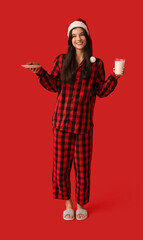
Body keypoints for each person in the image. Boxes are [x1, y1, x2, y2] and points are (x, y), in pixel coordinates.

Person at [25, 18, 125, 221]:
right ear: (70, 40)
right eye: (74, 35)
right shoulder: (61, 60)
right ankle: (68, 204)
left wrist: (115, 76)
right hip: (61, 123)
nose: (78, 38)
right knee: (60, 166)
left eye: (81, 35)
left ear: (87, 37)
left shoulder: (97, 64)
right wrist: (40, 72)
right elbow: (54, 85)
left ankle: (80, 204)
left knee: (82, 167)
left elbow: (101, 91)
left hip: (84, 125)